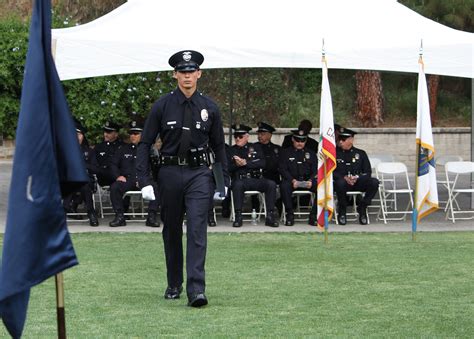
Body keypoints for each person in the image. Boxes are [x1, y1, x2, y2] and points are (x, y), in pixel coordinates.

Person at [136, 50, 229, 308]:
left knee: (198, 229)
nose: (187, 77)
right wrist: (144, 179)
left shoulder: (209, 107)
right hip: (169, 173)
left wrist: (223, 182)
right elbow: (144, 143)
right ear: (175, 74)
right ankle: (174, 283)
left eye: (192, 71)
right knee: (172, 230)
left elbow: (219, 147)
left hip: (199, 174)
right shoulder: (162, 105)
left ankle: (196, 290)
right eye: (183, 72)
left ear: (199, 74)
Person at [109, 121, 160, 227]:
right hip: (128, 180)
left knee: (156, 187)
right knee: (115, 187)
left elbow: (156, 167)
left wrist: (147, 179)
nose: (132, 136)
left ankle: (151, 217)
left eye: (136, 134)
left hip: (144, 179)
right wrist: (118, 176)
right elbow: (113, 164)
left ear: (142, 134)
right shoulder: (123, 149)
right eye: (131, 133)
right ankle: (120, 217)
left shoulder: (149, 150)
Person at [227, 124, 279, 228]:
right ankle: (238, 216)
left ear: (247, 137)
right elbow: (227, 168)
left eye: (240, 136)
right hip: (241, 180)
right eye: (236, 136)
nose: (237, 139)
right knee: (237, 185)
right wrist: (236, 165)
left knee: (271, 184)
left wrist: (246, 163)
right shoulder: (230, 150)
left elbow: (262, 163)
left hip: (256, 179)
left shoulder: (255, 147)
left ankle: (270, 216)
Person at [333, 127, 379, 225]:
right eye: (339, 139)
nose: (340, 142)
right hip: (343, 183)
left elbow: (367, 172)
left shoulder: (360, 153)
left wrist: (357, 178)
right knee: (339, 183)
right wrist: (344, 177)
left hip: (357, 182)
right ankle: (342, 211)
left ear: (351, 140)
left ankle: (362, 207)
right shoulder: (334, 154)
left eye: (343, 140)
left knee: (374, 182)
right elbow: (331, 171)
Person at [63, 119, 100, 226]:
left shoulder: (89, 151)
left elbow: (96, 168)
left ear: (83, 136)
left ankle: (91, 213)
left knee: (84, 184)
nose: (77, 137)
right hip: (69, 181)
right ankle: (66, 208)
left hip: (86, 180)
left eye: (79, 134)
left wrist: (83, 167)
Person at [279, 129, 318, 226]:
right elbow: (282, 169)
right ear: (292, 139)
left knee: (323, 187)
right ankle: (289, 215)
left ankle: (314, 216)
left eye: (302, 141)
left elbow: (316, 170)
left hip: (308, 181)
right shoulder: (285, 153)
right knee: (284, 186)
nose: (300, 143)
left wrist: (311, 180)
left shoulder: (311, 153)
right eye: (297, 140)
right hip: (292, 181)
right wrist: (292, 180)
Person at [95, 121, 124, 187]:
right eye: (105, 132)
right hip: (104, 179)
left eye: (108, 132)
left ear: (116, 134)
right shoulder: (99, 147)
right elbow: (94, 164)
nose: (105, 134)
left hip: (120, 179)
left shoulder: (123, 147)